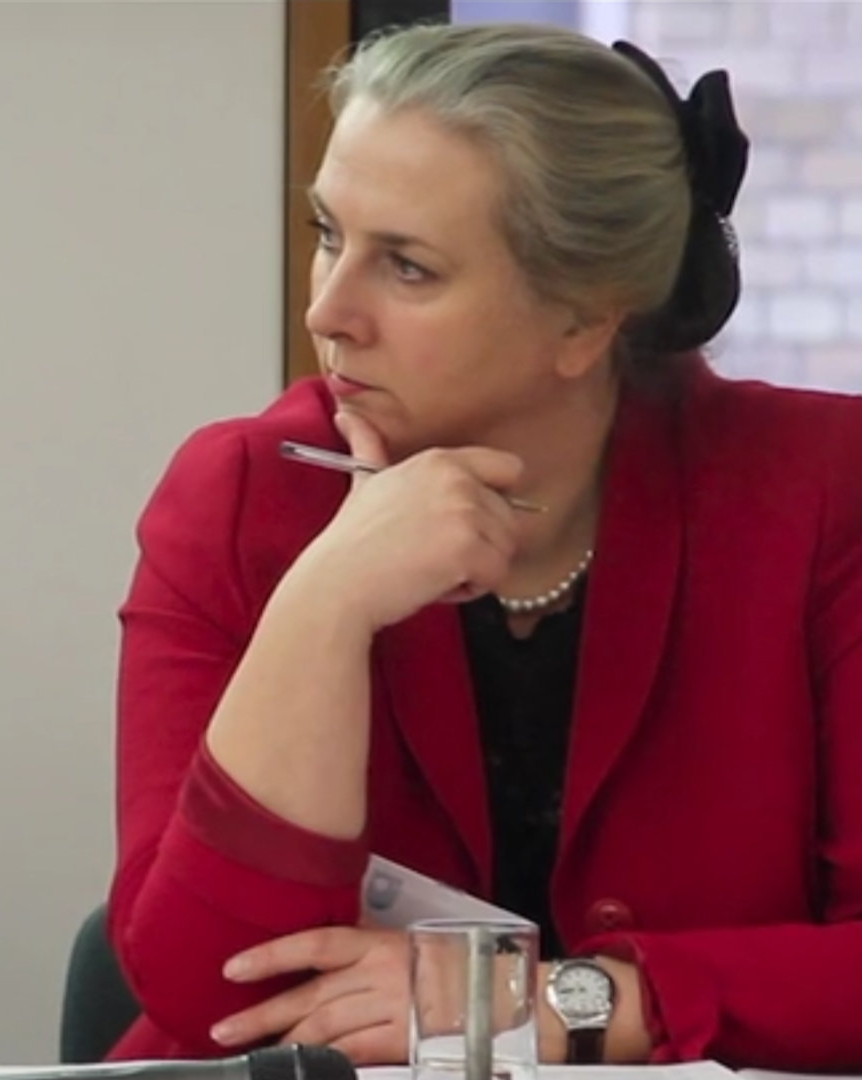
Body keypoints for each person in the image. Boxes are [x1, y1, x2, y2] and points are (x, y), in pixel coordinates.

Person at [109, 21, 862, 1072]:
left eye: (407, 268)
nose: (329, 311)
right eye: (331, 234)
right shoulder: (242, 493)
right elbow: (213, 997)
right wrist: (324, 606)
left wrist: (573, 1002)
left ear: (584, 322)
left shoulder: (823, 487)